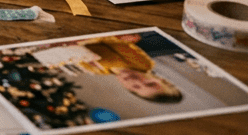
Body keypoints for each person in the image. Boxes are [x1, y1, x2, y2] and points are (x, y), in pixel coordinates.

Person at [32, 33, 182, 103]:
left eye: (135, 87)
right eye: (150, 84)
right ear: (161, 79)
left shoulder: (97, 70)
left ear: (127, 88)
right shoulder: (142, 55)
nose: (135, 80)